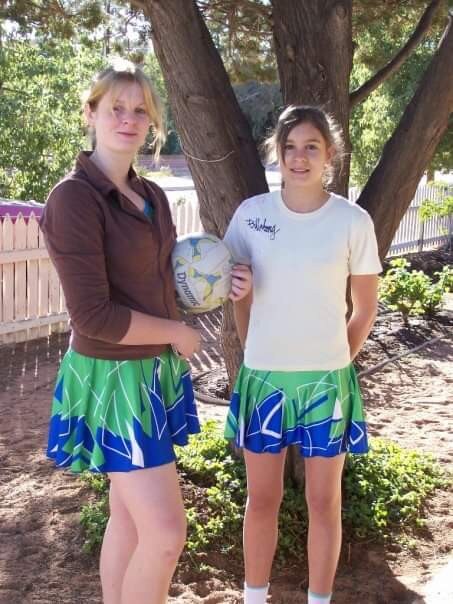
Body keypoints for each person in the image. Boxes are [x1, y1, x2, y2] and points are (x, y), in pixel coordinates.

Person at [40, 58, 250, 604]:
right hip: (111, 379)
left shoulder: (152, 196)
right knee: (166, 532)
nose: (128, 120)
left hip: (151, 371)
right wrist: (179, 335)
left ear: (152, 123)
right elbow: (93, 316)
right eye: (116, 108)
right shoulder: (73, 199)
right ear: (91, 113)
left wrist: (218, 283)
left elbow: (162, 286)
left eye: (140, 110)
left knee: (130, 522)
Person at [223, 105, 382, 604]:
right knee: (261, 499)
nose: (299, 158)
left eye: (311, 147)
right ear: (277, 153)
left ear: (328, 154)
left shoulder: (352, 221)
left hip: (325, 385)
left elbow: (365, 309)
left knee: (323, 501)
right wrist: (253, 350)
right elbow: (233, 290)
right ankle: (254, 596)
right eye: (289, 147)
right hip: (264, 381)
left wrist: (336, 360)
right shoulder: (252, 215)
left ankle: (319, 599)